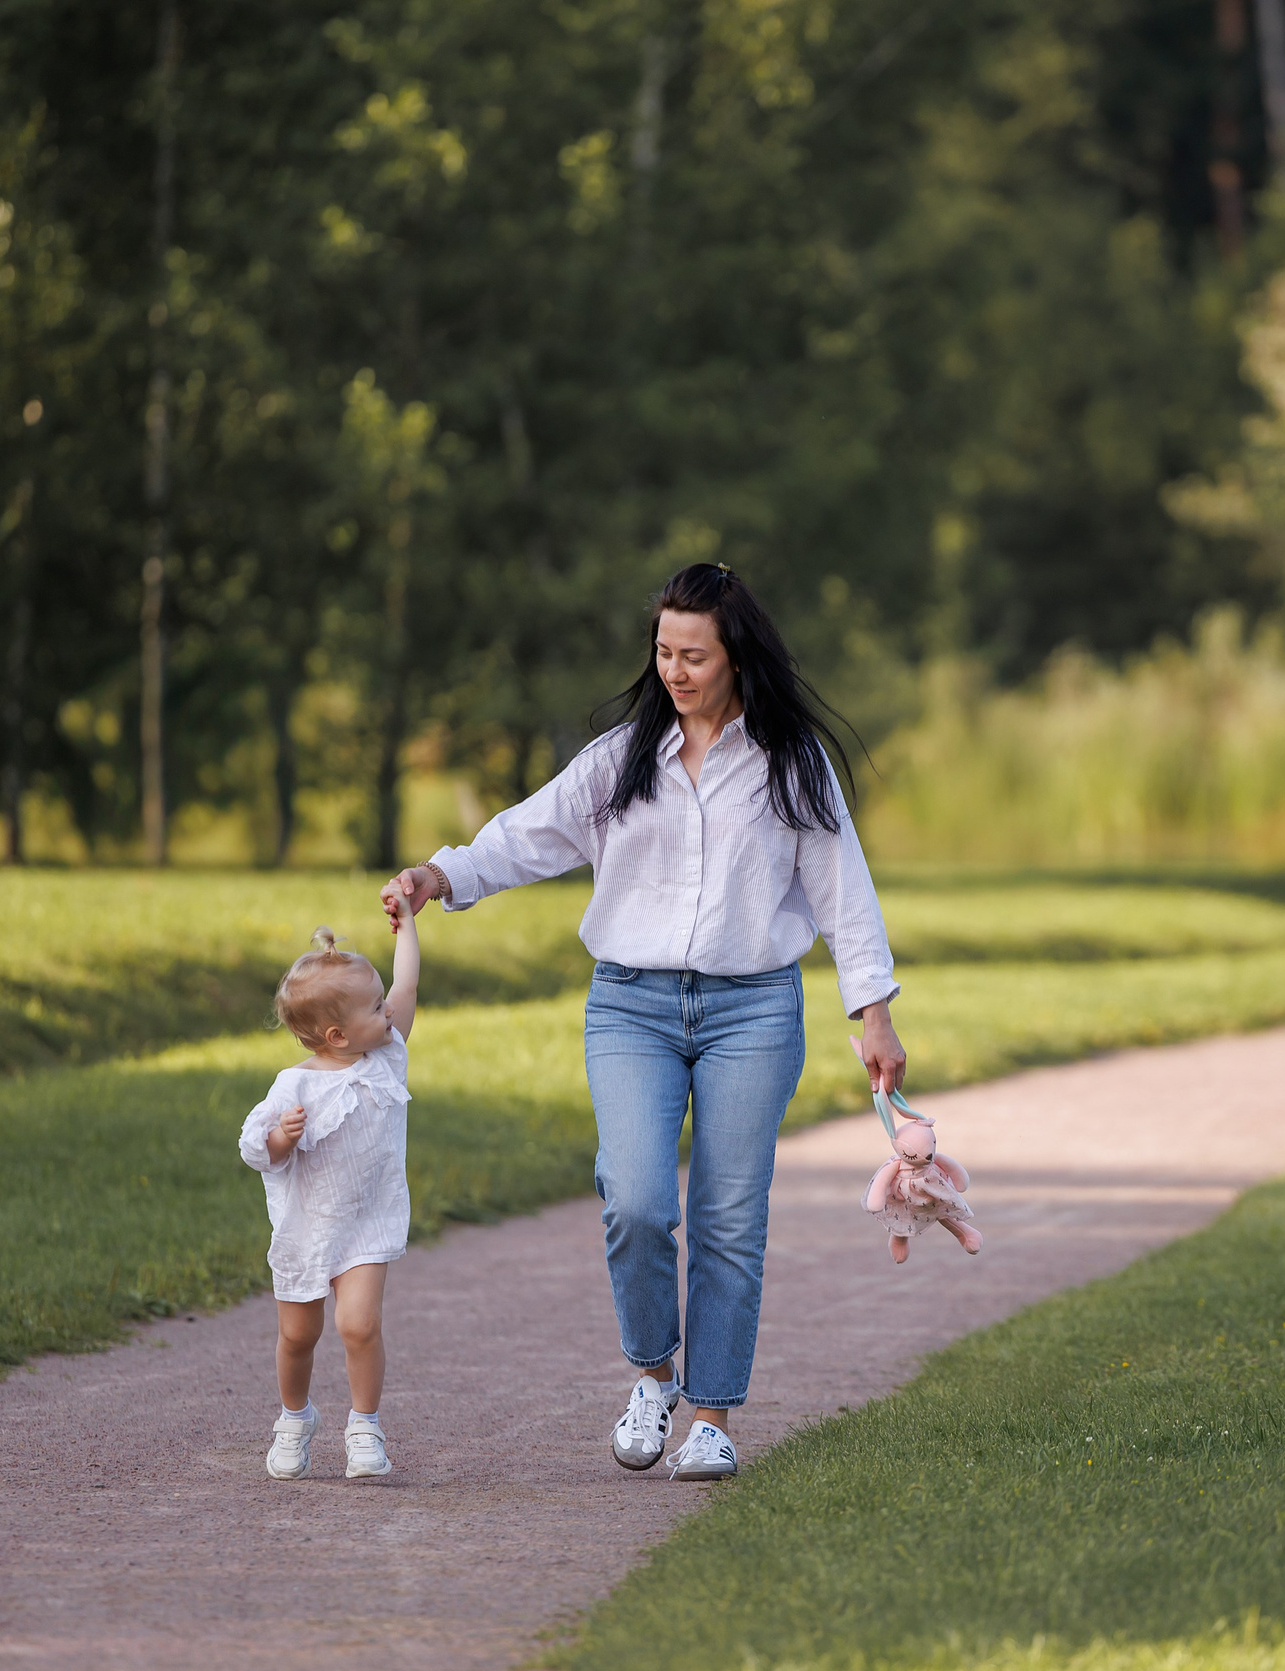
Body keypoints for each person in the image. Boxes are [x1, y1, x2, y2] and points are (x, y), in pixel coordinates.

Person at [380, 563, 905, 1481]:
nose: (674, 670)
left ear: (736, 656)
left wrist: (874, 1014)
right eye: (664, 651)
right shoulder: (621, 758)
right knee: (635, 1199)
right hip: (631, 1003)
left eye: (694, 655)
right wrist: (440, 875)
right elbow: (527, 835)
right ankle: (654, 1375)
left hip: (752, 1009)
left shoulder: (791, 763)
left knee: (728, 1215)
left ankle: (712, 1415)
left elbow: (844, 895)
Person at [238, 916, 421, 1480]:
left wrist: (407, 926)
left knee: (359, 1325)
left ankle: (365, 1426)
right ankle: (295, 1417)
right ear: (337, 1036)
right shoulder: (293, 1085)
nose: (388, 1013)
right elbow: (256, 1149)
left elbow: (408, 985)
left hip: (367, 1223)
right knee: (298, 1335)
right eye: (375, 1008)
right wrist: (280, 1137)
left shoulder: (385, 1055)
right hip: (307, 1228)